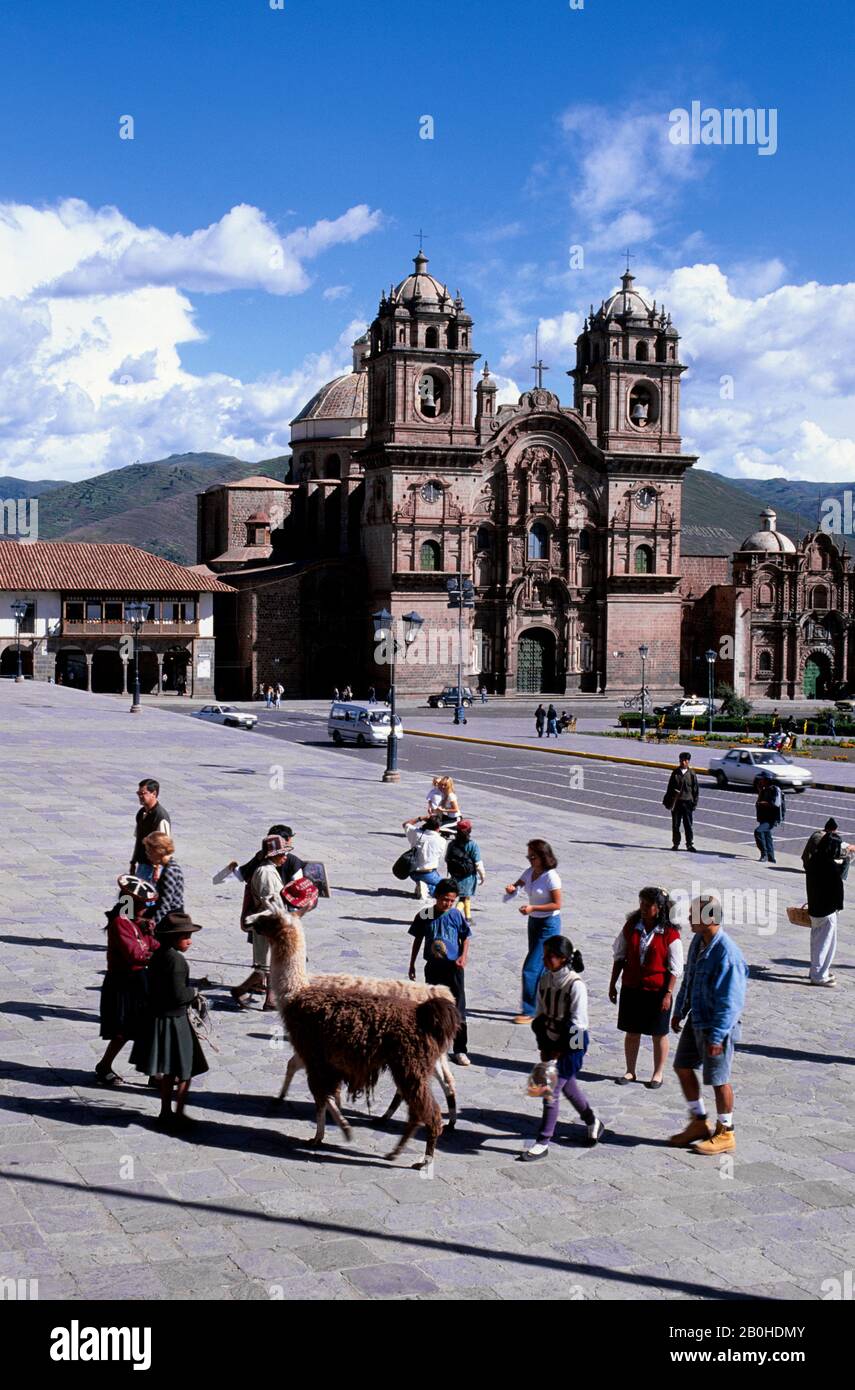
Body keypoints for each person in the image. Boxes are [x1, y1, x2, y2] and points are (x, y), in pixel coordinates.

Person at [669, 894, 748, 1155]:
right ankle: (699, 1121)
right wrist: (680, 1010)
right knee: (682, 1066)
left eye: (695, 915)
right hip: (696, 1019)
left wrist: (717, 1037)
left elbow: (731, 1001)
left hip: (717, 1026)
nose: (690, 918)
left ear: (710, 919)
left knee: (718, 1079)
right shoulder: (698, 942)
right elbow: (690, 978)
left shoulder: (727, 954)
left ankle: (726, 1131)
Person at [521, 936, 602, 1159]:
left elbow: (578, 1024)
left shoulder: (575, 985)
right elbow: (540, 1015)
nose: (545, 960)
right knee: (568, 1086)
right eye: (544, 955)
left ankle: (543, 1141)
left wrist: (561, 1050)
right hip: (552, 1040)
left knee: (551, 1089)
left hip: (572, 1044)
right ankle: (592, 1120)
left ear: (564, 958)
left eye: (550, 956)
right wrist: (544, 1045)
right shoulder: (545, 980)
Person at [130, 910, 209, 1131]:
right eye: (185, 936)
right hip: (174, 1021)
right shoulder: (177, 961)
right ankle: (177, 1113)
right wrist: (195, 991)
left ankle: (166, 1112)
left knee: (170, 1072)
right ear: (173, 938)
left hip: (160, 1019)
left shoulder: (159, 956)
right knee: (185, 1069)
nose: (189, 941)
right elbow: (177, 994)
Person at [609, 887, 683, 1088]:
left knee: (658, 1033)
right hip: (632, 987)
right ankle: (630, 1071)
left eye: (647, 905)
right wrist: (613, 984)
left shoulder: (670, 934)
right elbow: (620, 956)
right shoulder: (632, 926)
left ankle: (657, 1074)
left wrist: (668, 993)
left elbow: (675, 968)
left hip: (657, 991)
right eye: (641, 903)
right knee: (632, 1031)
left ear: (659, 908)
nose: (642, 908)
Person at [95, 877, 159, 1086]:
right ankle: (104, 1065)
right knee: (123, 1031)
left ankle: (154, 1072)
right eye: (142, 904)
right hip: (123, 983)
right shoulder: (120, 923)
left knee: (149, 1027)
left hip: (141, 980)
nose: (145, 908)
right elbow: (134, 954)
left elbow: (152, 944)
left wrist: (155, 937)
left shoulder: (137, 923)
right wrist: (154, 955)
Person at [408, 878, 471, 1065]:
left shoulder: (456, 915)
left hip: (454, 968)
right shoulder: (425, 915)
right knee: (434, 1006)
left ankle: (460, 1049)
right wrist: (412, 963)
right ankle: (434, 1045)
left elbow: (466, 937)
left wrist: (463, 956)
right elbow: (417, 939)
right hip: (433, 967)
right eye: (445, 899)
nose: (448, 903)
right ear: (436, 896)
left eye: (452, 900)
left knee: (458, 1006)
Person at [231, 834, 296, 1009]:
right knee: (266, 965)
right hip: (267, 924)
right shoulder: (265, 872)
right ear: (272, 854)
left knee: (267, 965)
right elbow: (269, 902)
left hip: (271, 924)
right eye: (282, 854)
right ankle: (258, 996)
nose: (285, 857)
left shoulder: (270, 869)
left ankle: (266, 999)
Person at [505, 840, 563, 1023]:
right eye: (528, 856)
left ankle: (529, 1010)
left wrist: (532, 908)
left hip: (548, 923)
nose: (530, 859)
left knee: (531, 967)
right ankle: (546, 1005)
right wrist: (512, 889)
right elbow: (519, 884)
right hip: (534, 923)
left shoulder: (551, 877)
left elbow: (557, 904)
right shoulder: (530, 872)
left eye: (533, 856)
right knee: (544, 966)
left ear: (543, 857)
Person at [804, 825, 847, 986]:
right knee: (826, 943)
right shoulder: (829, 866)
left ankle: (817, 970)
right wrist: (843, 865)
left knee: (817, 942)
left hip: (815, 907)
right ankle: (819, 975)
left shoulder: (814, 860)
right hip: (827, 909)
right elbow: (837, 885)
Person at [444, 819, 485, 920]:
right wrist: (482, 876)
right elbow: (478, 863)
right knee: (463, 898)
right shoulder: (472, 845)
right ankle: (454, 914)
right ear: (469, 831)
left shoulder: (452, 844)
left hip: (455, 875)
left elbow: (446, 858)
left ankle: (468, 917)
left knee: (466, 896)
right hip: (468, 877)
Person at [131, 780, 171, 881]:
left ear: (154, 794)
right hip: (142, 863)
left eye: (143, 793)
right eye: (138, 793)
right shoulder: (141, 813)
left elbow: (164, 846)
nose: (140, 796)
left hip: (152, 868)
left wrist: (157, 869)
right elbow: (138, 840)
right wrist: (133, 862)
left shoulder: (160, 816)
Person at [143, 833, 185, 929]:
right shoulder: (170, 866)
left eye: (149, 851)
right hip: (170, 914)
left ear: (159, 851)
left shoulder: (170, 871)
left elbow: (165, 905)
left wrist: (151, 924)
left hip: (170, 918)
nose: (147, 854)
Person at [664, 752, 699, 852]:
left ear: (688, 761)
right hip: (676, 803)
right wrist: (668, 801)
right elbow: (669, 788)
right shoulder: (675, 773)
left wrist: (694, 803)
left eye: (685, 760)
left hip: (687, 803)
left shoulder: (692, 774)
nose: (683, 762)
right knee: (676, 825)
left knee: (688, 825)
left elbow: (695, 790)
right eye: (681, 760)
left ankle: (689, 845)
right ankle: (676, 844)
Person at [405, 815, 447, 899]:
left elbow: (406, 824)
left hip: (413, 872)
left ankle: (421, 884)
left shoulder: (416, 833)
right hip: (429, 873)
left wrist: (420, 818)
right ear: (438, 827)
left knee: (433, 882)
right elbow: (440, 856)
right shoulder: (441, 840)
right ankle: (426, 888)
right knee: (445, 890)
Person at [753, 770, 783, 864]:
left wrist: (763, 803)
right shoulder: (764, 789)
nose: (760, 780)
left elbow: (775, 804)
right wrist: (760, 791)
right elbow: (758, 802)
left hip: (771, 819)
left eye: (761, 779)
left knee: (758, 832)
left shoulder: (774, 790)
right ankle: (771, 857)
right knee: (767, 836)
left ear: (766, 780)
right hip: (763, 817)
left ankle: (764, 854)